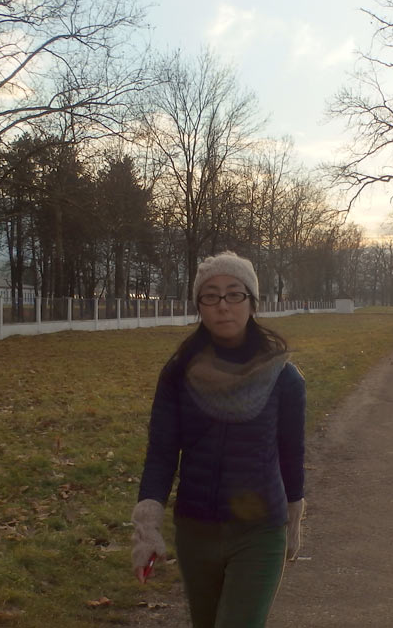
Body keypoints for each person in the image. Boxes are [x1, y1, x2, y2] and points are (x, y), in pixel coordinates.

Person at [131, 251, 306, 628]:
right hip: (196, 531)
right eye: (210, 296)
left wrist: (293, 520)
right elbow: (162, 453)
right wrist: (147, 525)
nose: (223, 306)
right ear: (199, 306)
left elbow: (292, 456)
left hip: (260, 534)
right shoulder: (178, 373)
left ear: (252, 301)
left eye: (234, 293)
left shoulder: (284, 377)